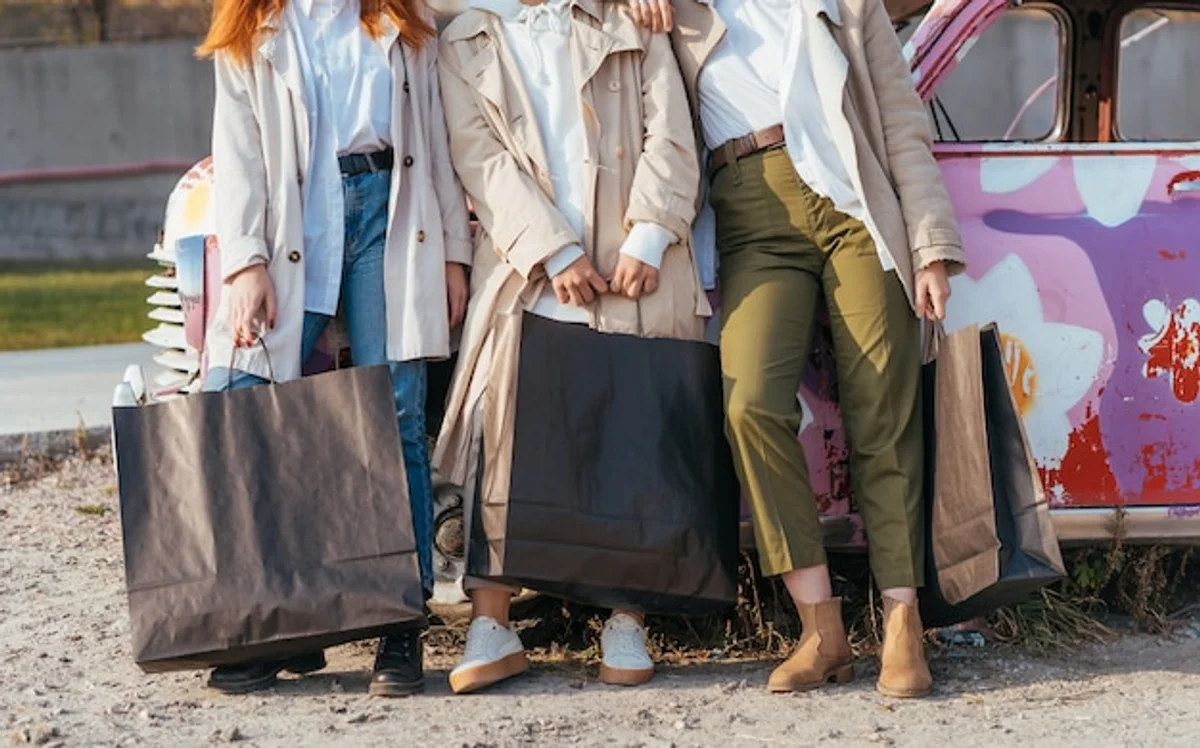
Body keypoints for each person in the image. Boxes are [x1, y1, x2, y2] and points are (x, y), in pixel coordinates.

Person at [628, 0, 966, 697]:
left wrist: (930, 245)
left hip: (852, 201)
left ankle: (903, 622)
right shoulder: (678, 8)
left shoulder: (846, 3)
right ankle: (821, 627)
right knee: (749, 404)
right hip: (751, 213)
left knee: (883, 406)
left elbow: (901, 122)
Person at [196, 0, 471, 696]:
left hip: (392, 213)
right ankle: (278, 619)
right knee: (245, 397)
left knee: (395, 415)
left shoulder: (403, 22)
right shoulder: (252, 28)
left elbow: (434, 143)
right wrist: (244, 262)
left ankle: (399, 623)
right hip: (299, 219)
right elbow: (238, 154)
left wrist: (454, 254)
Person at [433, 0, 708, 693]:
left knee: (629, 423)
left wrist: (648, 235)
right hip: (529, 261)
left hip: (630, 260)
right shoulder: (466, 36)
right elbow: (482, 160)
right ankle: (491, 620)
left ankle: (625, 616)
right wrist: (553, 252)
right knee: (506, 434)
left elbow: (671, 133)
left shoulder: (623, 18)